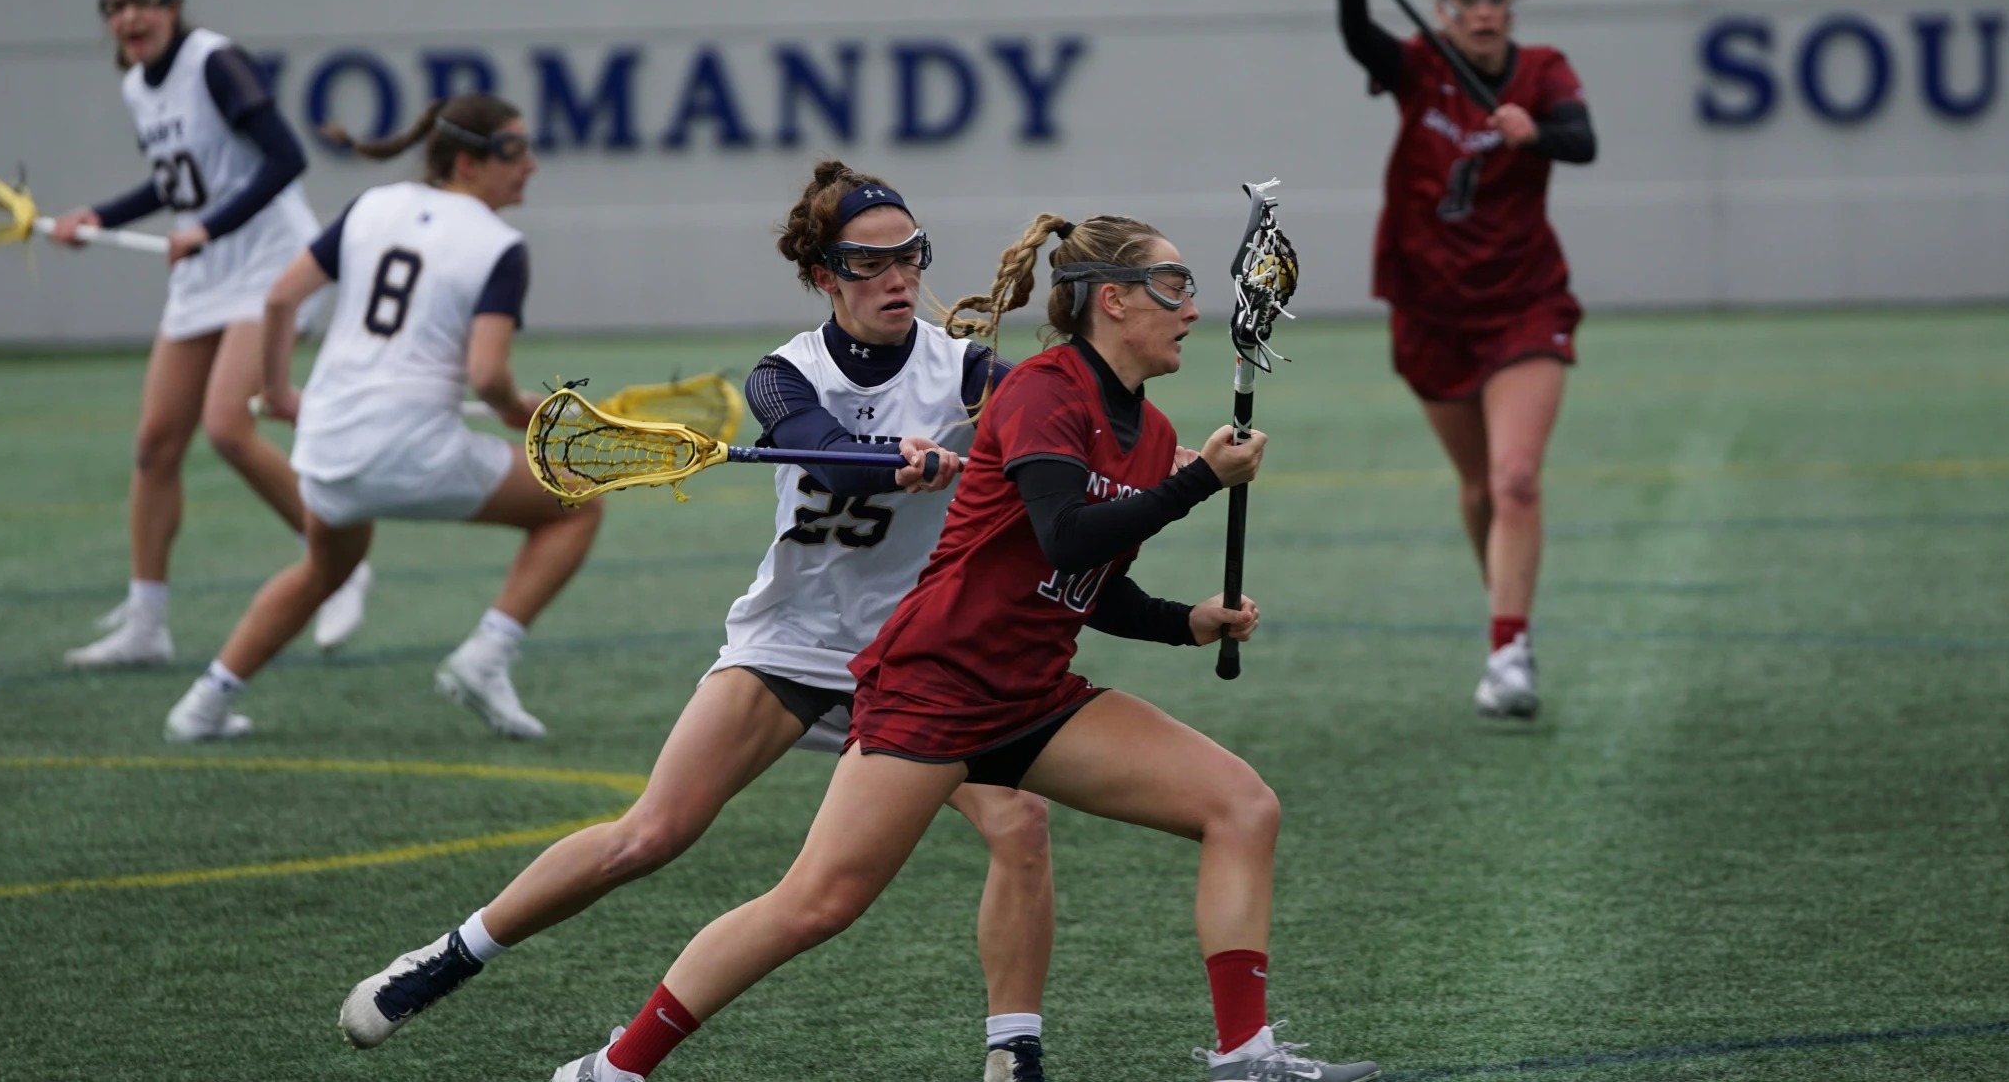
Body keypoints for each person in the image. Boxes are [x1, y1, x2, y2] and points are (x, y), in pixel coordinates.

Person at [523, 213, 1376, 1082]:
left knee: (1241, 805)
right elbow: (1065, 537)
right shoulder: (1044, 390)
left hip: (1033, 696)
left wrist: (1180, 620)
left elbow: (1087, 584)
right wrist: (1199, 483)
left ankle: (1245, 1057)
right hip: (934, 687)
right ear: (1110, 302)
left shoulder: (1151, 436)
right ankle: (610, 1070)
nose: (1190, 308)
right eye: (1171, 286)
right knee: (816, 904)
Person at [340, 161, 1064, 1082]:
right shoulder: (782, 376)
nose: (897, 278)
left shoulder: (966, 370)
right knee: (650, 834)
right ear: (822, 276)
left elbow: (1051, 433)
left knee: (1021, 824)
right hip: (790, 648)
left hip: (915, 662)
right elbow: (833, 461)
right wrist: (898, 457)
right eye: (868, 262)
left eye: (910, 256)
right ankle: (450, 955)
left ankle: (1014, 1056)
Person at [160, 94, 601, 742]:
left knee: (325, 566)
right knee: (578, 503)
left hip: (328, 450)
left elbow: (281, 296)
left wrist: (279, 391)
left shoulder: (372, 204)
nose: (530, 165)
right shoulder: (501, 245)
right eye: (513, 150)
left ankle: (203, 702)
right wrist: (519, 411)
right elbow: (488, 377)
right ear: (466, 162)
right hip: (414, 454)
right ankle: (486, 655)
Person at [1314, 0, 1597, 720]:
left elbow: (1582, 141)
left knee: (1515, 477)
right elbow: (1362, 43)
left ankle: (1508, 650)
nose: (1483, 11)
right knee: (1477, 484)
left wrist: (1531, 131)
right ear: (1441, 7)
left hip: (1523, 300)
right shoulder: (1421, 65)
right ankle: (1506, 614)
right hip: (1429, 302)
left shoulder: (1543, 70)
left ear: (1513, 3)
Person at [55, 0, 354, 667]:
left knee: (227, 426)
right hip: (205, 275)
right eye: (114, 6)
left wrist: (211, 228)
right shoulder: (136, 85)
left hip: (268, 268)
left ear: (172, 6)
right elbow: (181, 182)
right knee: (155, 444)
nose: (128, 17)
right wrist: (98, 215)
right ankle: (147, 623)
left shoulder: (214, 62)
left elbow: (285, 159)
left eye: (142, 1)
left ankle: (336, 560)